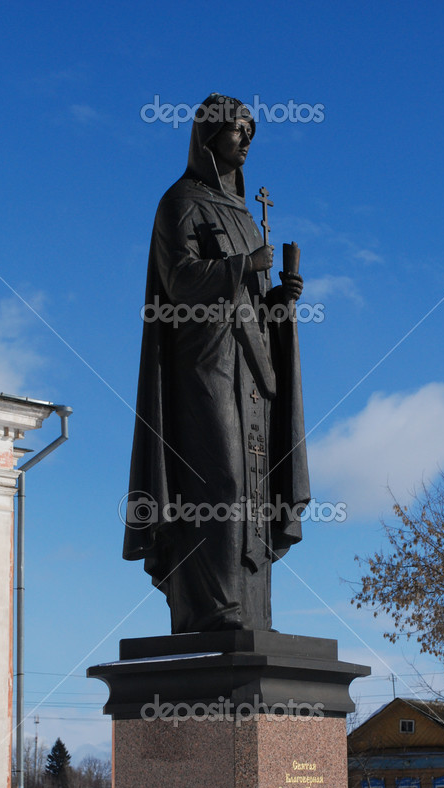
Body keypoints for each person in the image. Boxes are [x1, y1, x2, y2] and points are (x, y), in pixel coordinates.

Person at [123, 93, 310, 633]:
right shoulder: (178, 202)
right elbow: (179, 282)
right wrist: (240, 266)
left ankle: (252, 610)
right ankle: (210, 608)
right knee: (220, 480)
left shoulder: (247, 216)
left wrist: (278, 301)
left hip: (251, 365)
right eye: (237, 130)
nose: (246, 140)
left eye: (251, 132)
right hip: (202, 364)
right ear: (208, 137)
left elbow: (250, 302)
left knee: (256, 485)